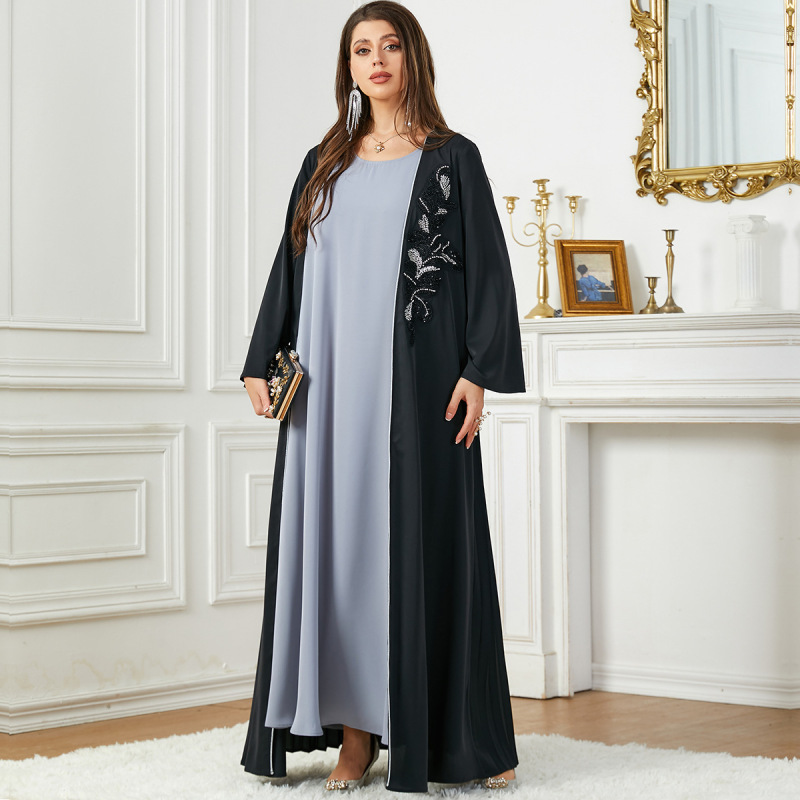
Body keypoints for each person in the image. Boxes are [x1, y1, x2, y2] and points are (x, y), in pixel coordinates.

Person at [239, 1, 525, 793]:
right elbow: (290, 265)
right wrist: (261, 359)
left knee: (425, 552)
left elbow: (488, 270)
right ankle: (356, 738)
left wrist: (478, 370)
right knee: (336, 559)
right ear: (348, 67)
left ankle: (463, 737)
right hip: (325, 394)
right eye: (361, 49)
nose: (376, 60)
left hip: (417, 391)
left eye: (390, 45)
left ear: (412, 57)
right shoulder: (323, 161)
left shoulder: (451, 159)